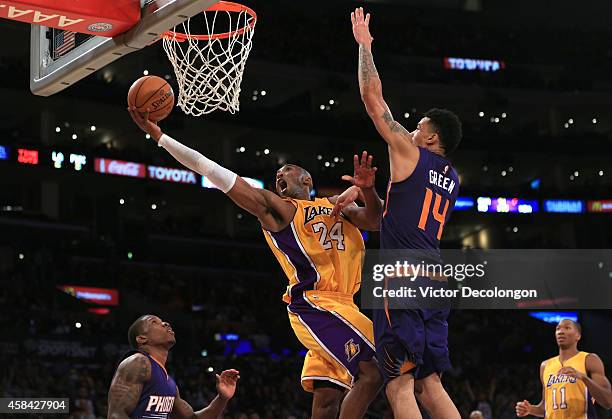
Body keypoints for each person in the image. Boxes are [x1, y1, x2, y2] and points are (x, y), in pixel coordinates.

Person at [127, 109, 383, 419]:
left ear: (306, 179)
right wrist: (160, 137)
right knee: (375, 370)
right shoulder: (279, 210)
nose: (279, 176)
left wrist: (368, 190)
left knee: (327, 399)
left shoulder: (338, 204)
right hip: (315, 304)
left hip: (346, 306)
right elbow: (213, 171)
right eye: (276, 176)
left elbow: (375, 220)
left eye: (285, 170)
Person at [351, 7, 463, 419]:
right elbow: (391, 219)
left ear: (430, 137)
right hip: (435, 276)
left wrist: (365, 47)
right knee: (431, 384)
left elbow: (372, 98)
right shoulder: (453, 176)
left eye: (417, 127)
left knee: (399, 383)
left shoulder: (409, 150)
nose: (409, 131)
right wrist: (369, 193)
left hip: (401, 275)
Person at [107, 314, 239, 419]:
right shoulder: (137, 362)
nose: (165, 323)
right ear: (141, 338)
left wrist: (222, 398)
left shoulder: (169, 382)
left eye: (163, 321)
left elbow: (193, 418)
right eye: (154, 322)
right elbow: (116, 415)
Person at [515, 319, 612, 418]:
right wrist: (531, 409)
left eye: (567, 328)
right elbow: (547, 407)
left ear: (578, 336)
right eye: (558, 329)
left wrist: (584, 378)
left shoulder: (589, 359)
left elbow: (608, 401)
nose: (561, 331)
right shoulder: (545, 365)